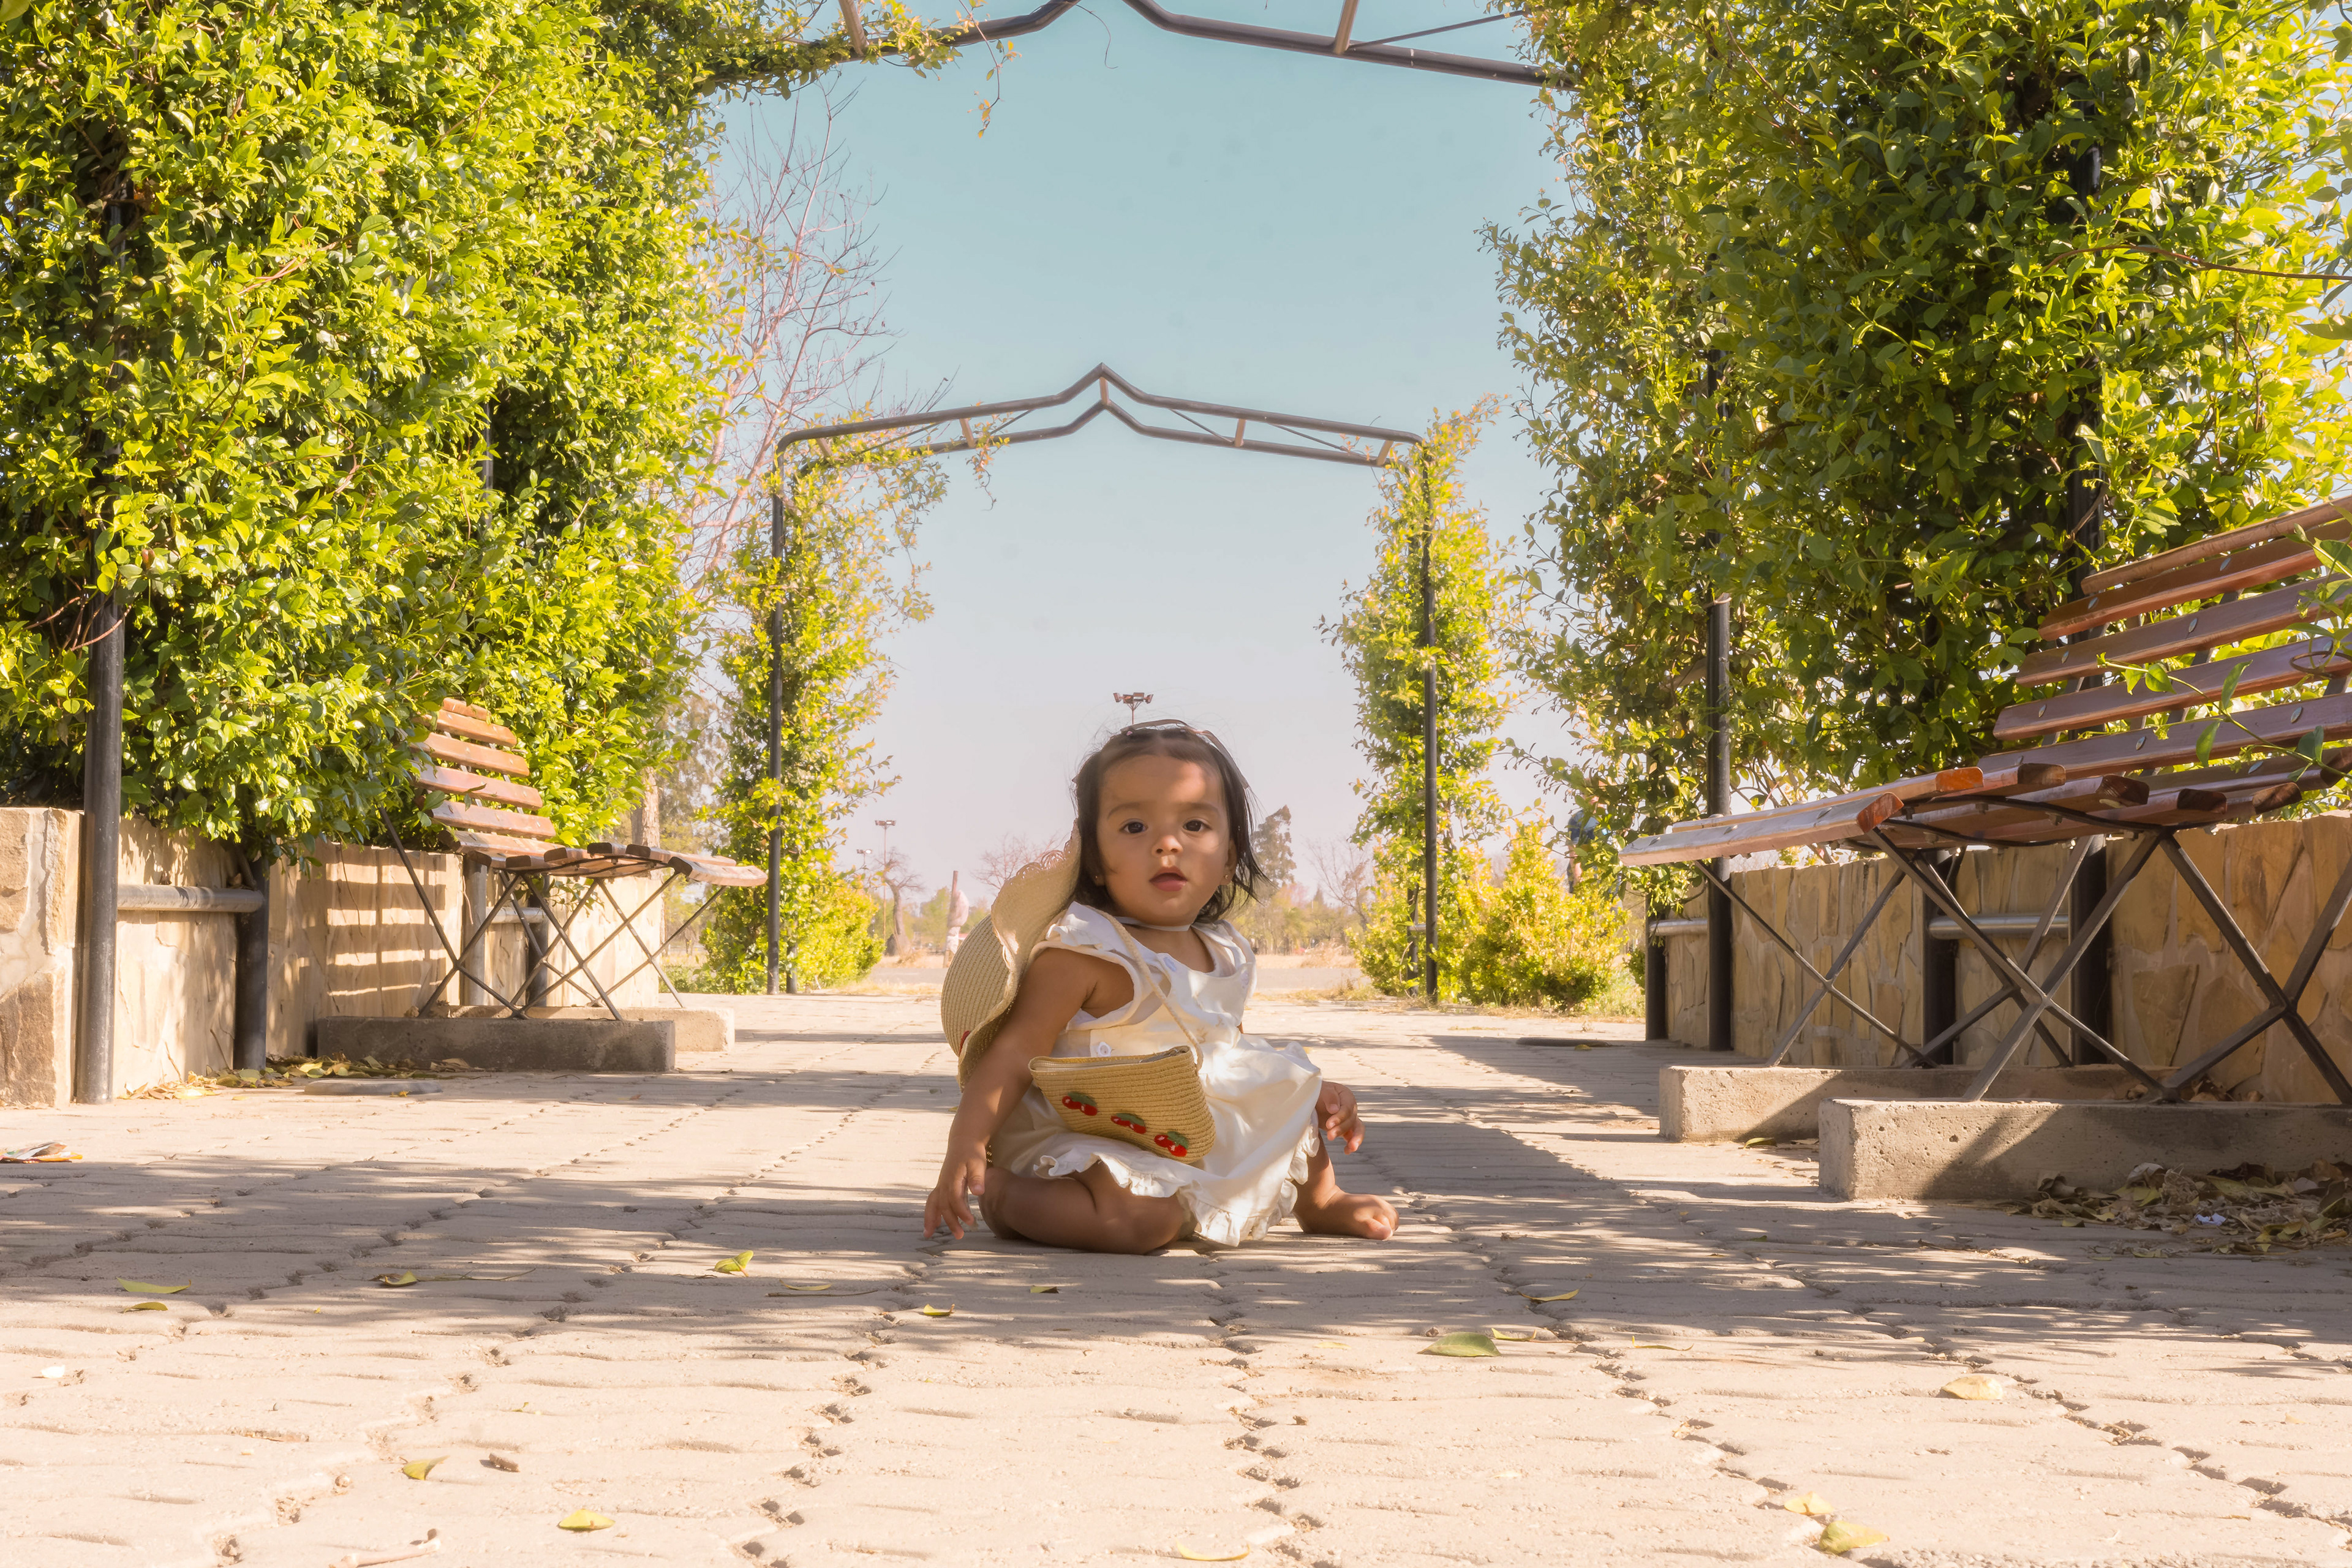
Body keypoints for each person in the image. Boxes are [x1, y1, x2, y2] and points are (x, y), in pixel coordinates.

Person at [925, 721, 1398, 1252]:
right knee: (1140, 1223)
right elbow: (1014, 1056)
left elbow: (1229, 1049)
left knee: (1284, 1097)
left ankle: (1321, 1200)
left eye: (1195, 824)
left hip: (1185, 1126)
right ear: (1095, 860)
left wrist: (1311, 1094)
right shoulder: (1085, 952)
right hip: (1094, 1135)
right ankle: (1008, 1197)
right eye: (1134, 827)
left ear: (1229, 859)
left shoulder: (1225, 950)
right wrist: (967, 1143)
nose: (1167, 844)